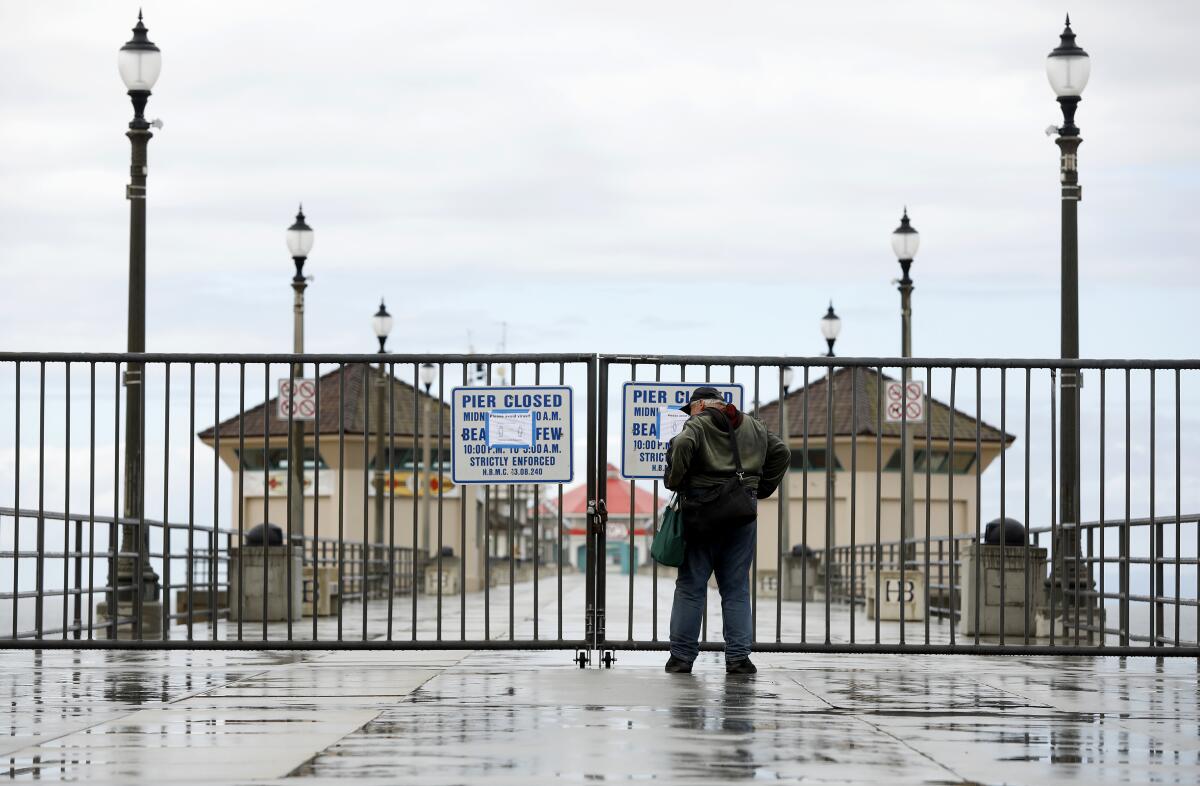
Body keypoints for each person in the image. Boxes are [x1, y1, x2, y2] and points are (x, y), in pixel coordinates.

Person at [663, 386, 789, 675]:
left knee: (691, 586)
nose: (690, 414)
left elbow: (681, 446)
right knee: (736, 588)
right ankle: (738, 658)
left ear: (701, 405)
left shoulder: (698, 423)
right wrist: (761, 486)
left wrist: (675, 479)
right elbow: (781, 451)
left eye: (691, 409)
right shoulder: (752, 425)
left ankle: (682, 657)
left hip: (702, 511)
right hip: (740, 512)